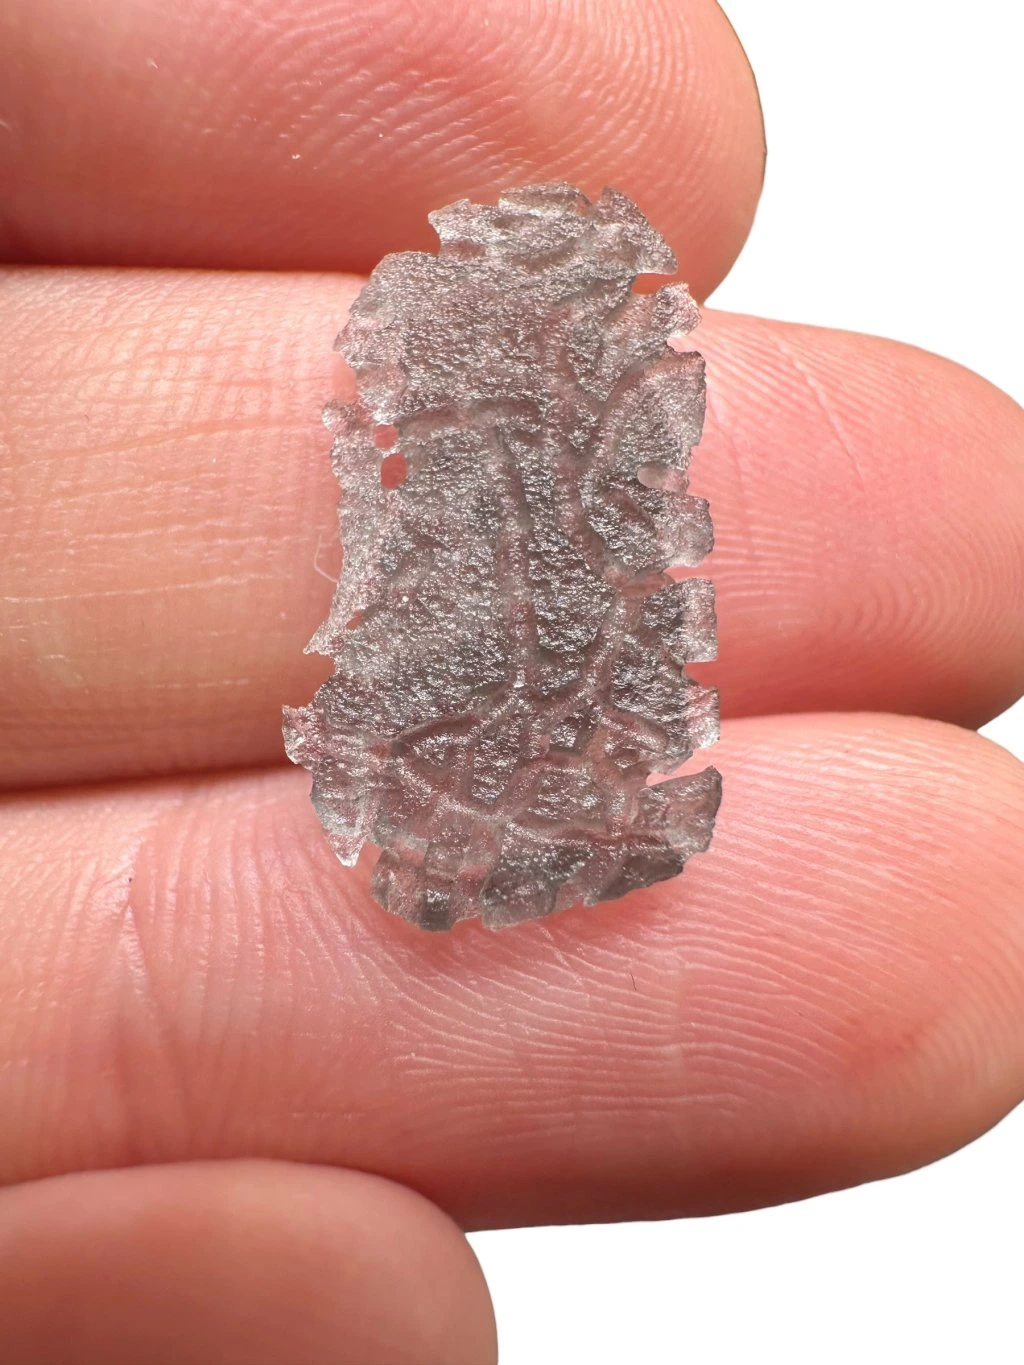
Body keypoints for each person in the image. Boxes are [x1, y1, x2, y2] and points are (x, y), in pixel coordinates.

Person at [0, 1, 1021, 1361]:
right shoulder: (446, 339)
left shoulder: (571, 373)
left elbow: (601, 523)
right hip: (470, 708)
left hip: (538, 713)